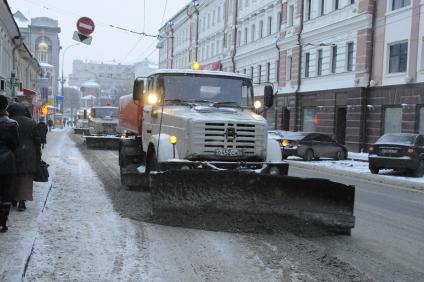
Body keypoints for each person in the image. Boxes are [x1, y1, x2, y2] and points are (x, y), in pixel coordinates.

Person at [8, 102, 41, 212]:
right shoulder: (31, 122)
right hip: (28, 153)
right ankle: (22, 201)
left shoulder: (9, 122)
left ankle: (13, 199)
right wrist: (38, 156)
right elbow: (37, 141)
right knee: (25, 178)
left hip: (12, 152)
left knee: (12, 177)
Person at [0, 95, 19, 232]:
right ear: (6, 106)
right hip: (7, 162)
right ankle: (3, 223)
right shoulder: (12, 124)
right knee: (6, 192)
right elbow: (15, 144)